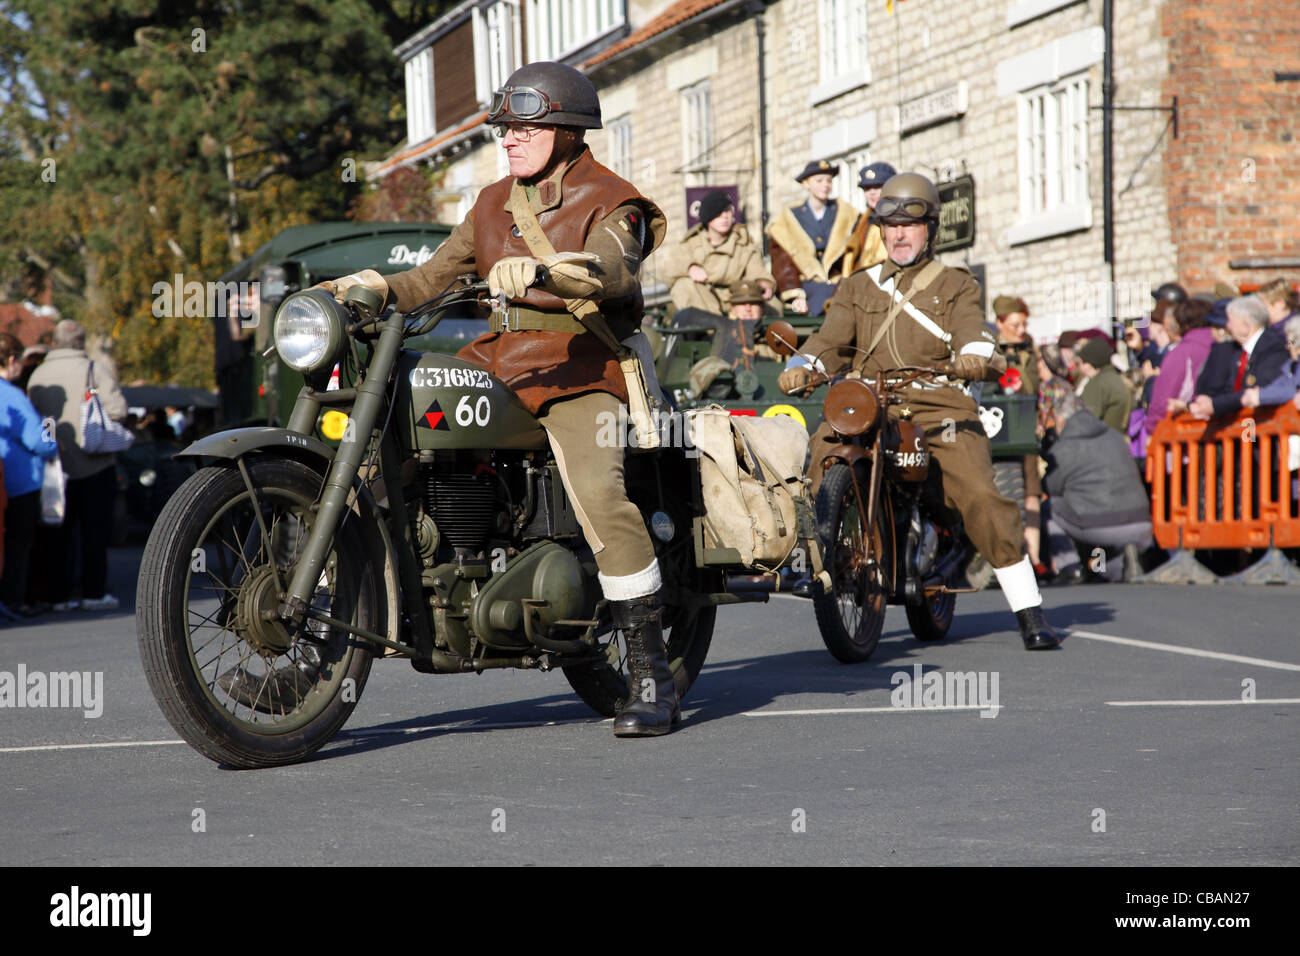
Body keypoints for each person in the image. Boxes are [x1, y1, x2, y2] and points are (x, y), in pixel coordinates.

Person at [325, 63, 681, 737]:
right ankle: (321, 648)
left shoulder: (617, 201)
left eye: (526, 127)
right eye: (506, 128)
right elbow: (433, 278)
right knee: (379, 452)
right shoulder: (493, 203)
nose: (510, 139)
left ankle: (649, 672)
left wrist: (549, 271)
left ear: (569, 131)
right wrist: (367, 287)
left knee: (599, 496)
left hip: (581, 365)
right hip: (497, 361)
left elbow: (613, 267)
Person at [777, 171, 1058, 650]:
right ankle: (827, 562)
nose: (899, 234)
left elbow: (972, 328)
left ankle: (1027, 607)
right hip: (870, 403)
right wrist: (803, 364)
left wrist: (974, 355)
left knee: (978, 492)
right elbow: (829, 340)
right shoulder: (857, 287)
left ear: (931, 227)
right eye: (889, 225)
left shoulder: (956, 283)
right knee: (822, 455)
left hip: (936, 401)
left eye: (910, 224)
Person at [27, 319, 127, 611]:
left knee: (57, 532)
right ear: (81, 342)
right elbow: (118, 410)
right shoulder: (95, 370)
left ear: (55, 342)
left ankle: (58, 595)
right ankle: (94, 592)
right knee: (95, 533)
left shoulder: (38, 376)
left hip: (55, 465)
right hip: (95, 465)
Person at [1041, 392, 1153, 584]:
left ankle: (1070, 567)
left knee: (1049, 508)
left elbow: (1051, 488)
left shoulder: (1064, 448)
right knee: (1109, 570)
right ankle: (1122, 561)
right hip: (1140, 522)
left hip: (1098, 525)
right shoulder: (1115, 436)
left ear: (1060, 419)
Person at [0, 332, 59, 619]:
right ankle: (14, 600)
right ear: (11, 360)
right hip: (19, 482)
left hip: (3, 479)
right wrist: (53, 444)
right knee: (18, 545)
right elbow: (40, 441)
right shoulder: (12, 395)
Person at [991, 295, 1046, 577]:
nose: (1021, 330)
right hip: (999, 426)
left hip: (1026, 422)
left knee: (1032, 491)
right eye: (1015, 324)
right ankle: (1012, 556)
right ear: (1000, 323)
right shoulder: (989, 349)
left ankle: (1034, 558)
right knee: (1005, 493)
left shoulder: (1028, 349)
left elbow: (1035, 385)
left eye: (1024, 324)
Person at [766, 159, 857, 315]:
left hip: (839, 283)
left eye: (829, 180)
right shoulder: (790, 217)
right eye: (819, 180)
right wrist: (794, 294)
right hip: (804, 284)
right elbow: (783, 259)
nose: (825, 185)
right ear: (806, 183)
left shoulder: (846, 213)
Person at [665, 190, 773, 317]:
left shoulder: (743, 243)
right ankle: (712, 330)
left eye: (728, 211)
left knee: (774, 305)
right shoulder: (691, 243)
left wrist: (763, 282)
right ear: (708, 217)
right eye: (719, 213)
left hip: (738, 299)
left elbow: (756, 269)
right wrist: (690, 267)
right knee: (683, 285)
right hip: (703, 299)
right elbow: (669, 269)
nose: (725, 217)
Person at [1188, 296, 1288, 420]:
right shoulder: (1238, 351)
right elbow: (1230, 389)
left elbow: (1259, 388)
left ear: (1246, 325)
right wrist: (1206, 402)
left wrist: (1214, 405)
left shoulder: (1274, 347)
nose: (1228, 326)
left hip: (1263, 426)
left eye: (1230, 321)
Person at [1146, 297, 1215, 432]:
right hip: (1223, 434)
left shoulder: (1181, 353)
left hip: (1186, 434)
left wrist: (1152, 429)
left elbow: (1163, 402)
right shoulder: (1225, 347)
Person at [842, 161, 895, 277]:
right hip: (861, 286)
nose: (872, 193)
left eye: (877, 187)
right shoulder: (861, 222)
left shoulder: (900, 220)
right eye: (867, 189)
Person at [1074, 336, 1132, 434]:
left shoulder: (1098, 383)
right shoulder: (1118, 378)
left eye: (1084, 362)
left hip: (1100, 442)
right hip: (1118, 441)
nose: (1081, 369)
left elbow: (1084, 421)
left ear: (1092, 363)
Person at [1242, 313, 1300, 409]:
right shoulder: (1291, 365)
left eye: (1290, 343)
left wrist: (1261, 396)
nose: (1287, 346)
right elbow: (1282, 383)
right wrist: (1260, 392)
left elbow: (1293, 390)